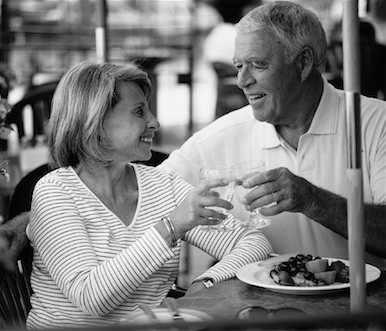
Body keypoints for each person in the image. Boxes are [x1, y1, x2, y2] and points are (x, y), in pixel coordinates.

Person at [24, 61, 271, 329]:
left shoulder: (163, 185)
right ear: (96, 123)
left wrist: (204, 285)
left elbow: (254, 245)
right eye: (139, 112)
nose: (155, 122)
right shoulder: (55, 192)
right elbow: (91, 298)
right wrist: (171, 228)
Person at [160, 1, 386, 269]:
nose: (243, 81)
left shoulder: (376, 123)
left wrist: (312, 200)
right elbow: (145, 196)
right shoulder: (221, 135)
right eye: (238, 66)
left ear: (303, 62)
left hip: (361, 308)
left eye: (257, 64)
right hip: (256, 308)